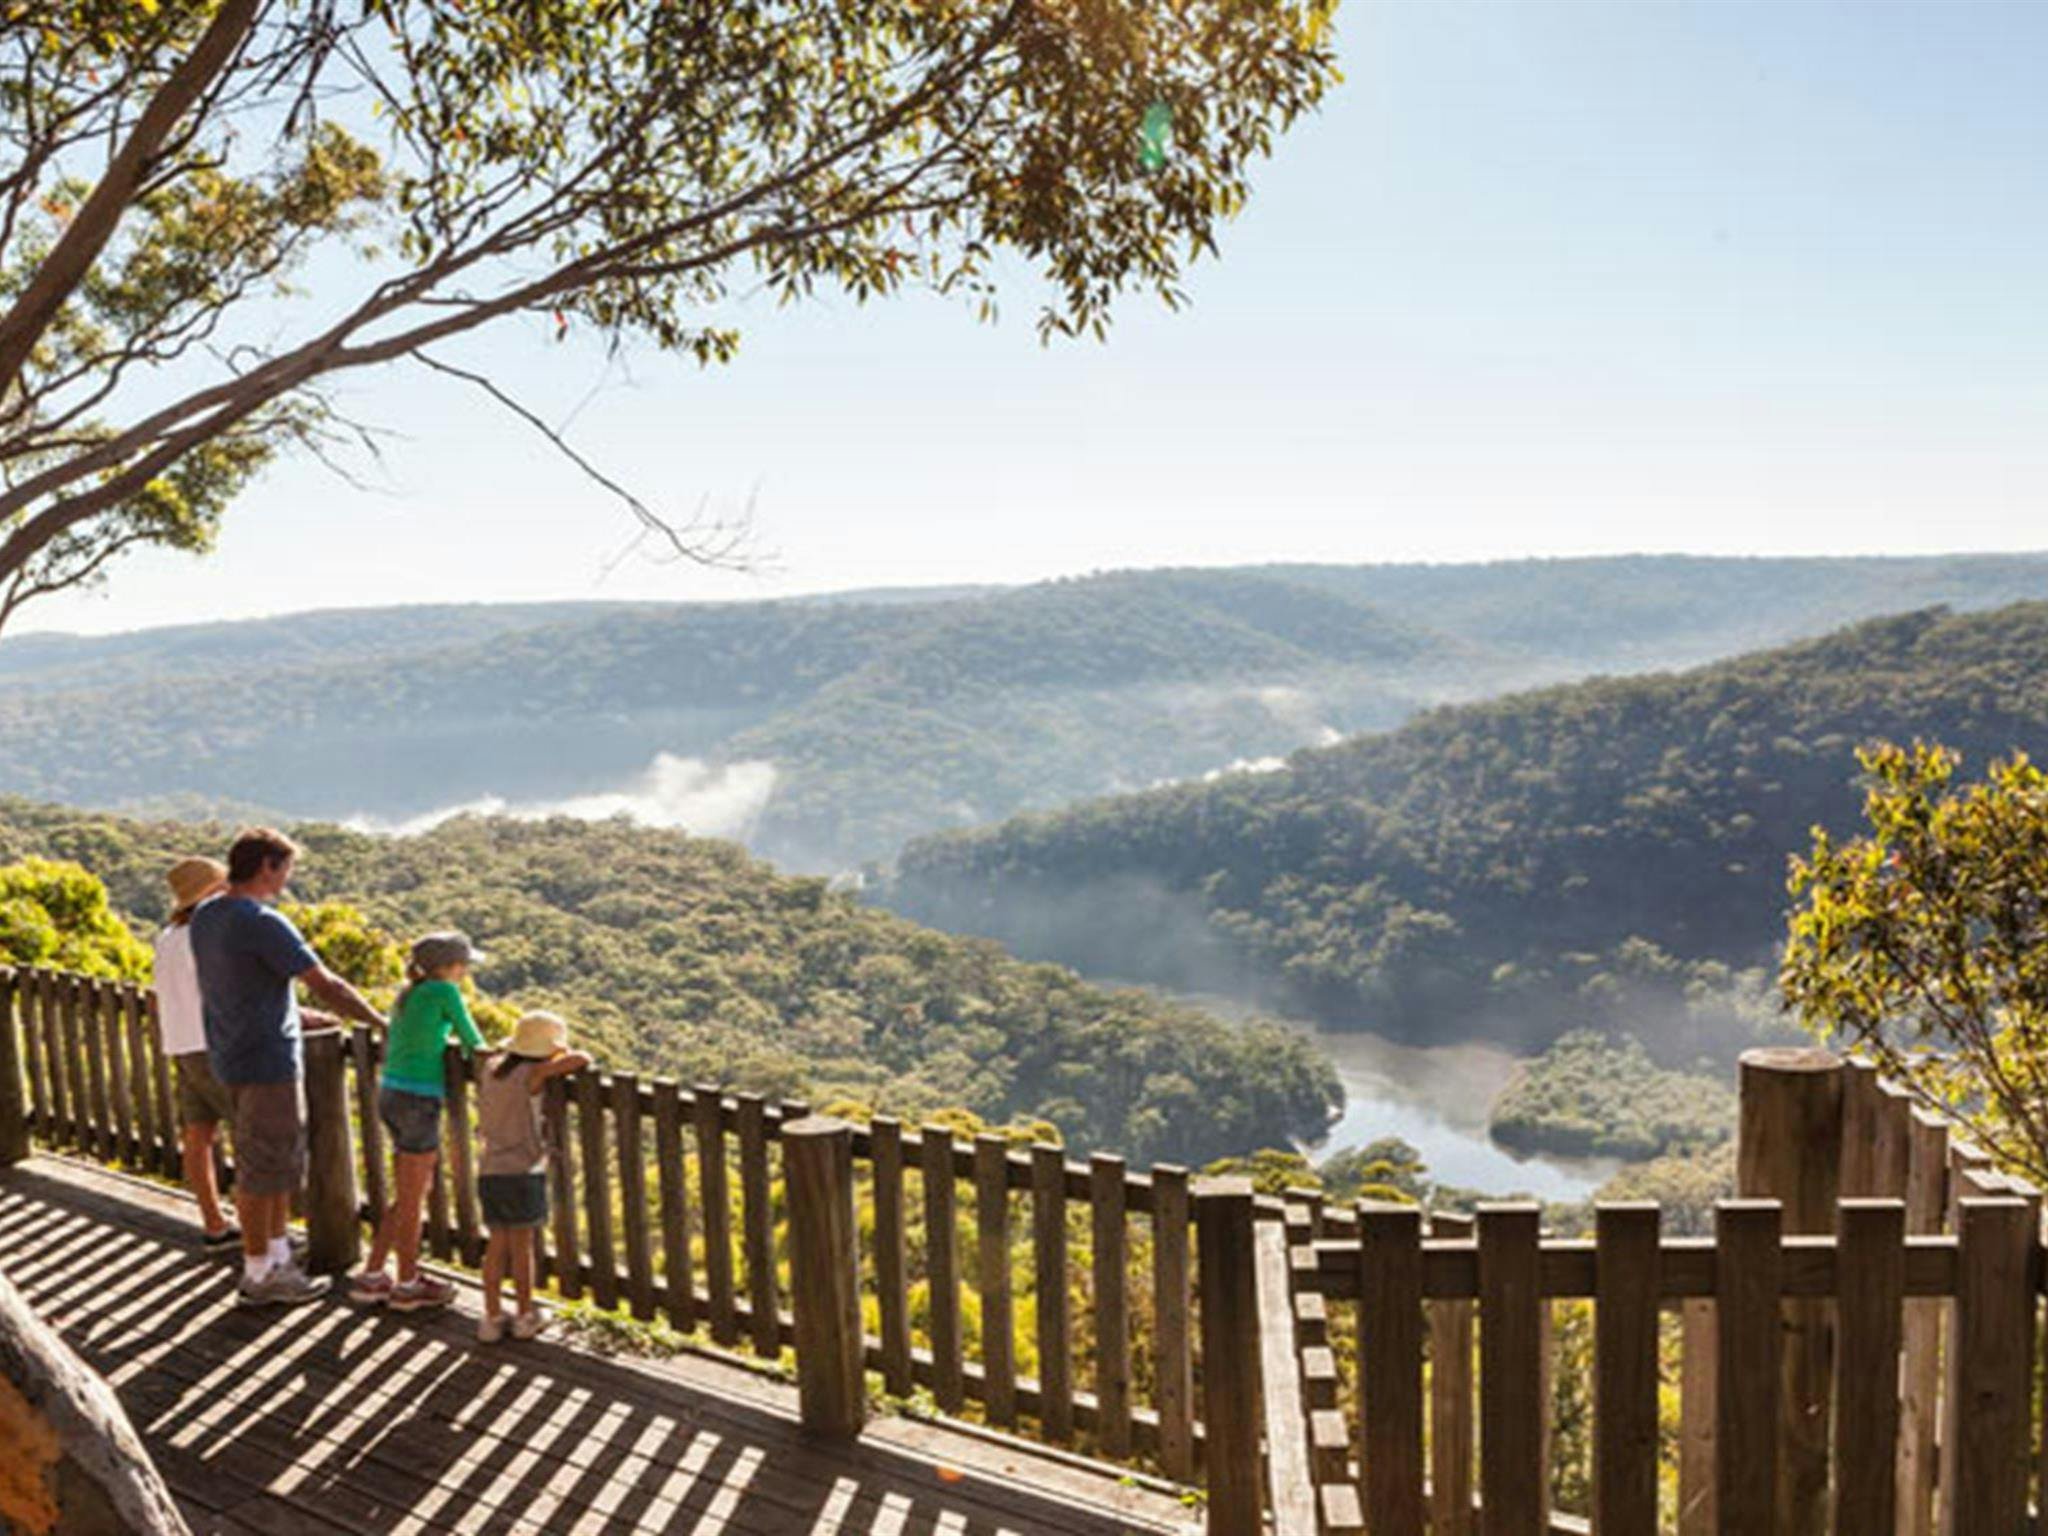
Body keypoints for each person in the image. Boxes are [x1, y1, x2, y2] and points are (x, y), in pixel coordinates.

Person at [190, 827, 387, 1307]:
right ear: (266, 867)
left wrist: (292, 1013)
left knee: (273, 1163)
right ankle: (258, 1273)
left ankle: (277, 1257)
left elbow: (237, 983)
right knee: (264, 1168)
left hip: (230, 1052)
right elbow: (328, 985)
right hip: (266, 1059)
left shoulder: (207, 916)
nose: (286, 880)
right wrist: (381, 1022)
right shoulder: (262, 921)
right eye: (285, 869)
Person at [349, 932, 488, 1312]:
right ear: (448, 967)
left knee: (409, 1191)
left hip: (391, 1094)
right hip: (419, 1099)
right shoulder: (444, 993)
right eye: (462, 965)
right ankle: (408, 1286)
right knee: (414, 1198)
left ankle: (374, 1274)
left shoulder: (406, 993)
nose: (465, 972)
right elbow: (473, 1041)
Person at [473, 1011, 589, 1342]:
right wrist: (561, 1054)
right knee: (522, 1248)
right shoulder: (535, 1073)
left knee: (496, 1246)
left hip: (490, 1168)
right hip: (523, 1171)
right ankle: (525, 1315)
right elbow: (582, 1058)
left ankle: (492, 1318)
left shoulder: (493, 1067)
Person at [152, 857, 237, 1249]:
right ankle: (263, 1235)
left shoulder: (167, 936)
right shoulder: (207, 934)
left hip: (181, 1044)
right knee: (253, 1139)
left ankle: (214, 1222)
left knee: (198, 1136)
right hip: (215, 1044)